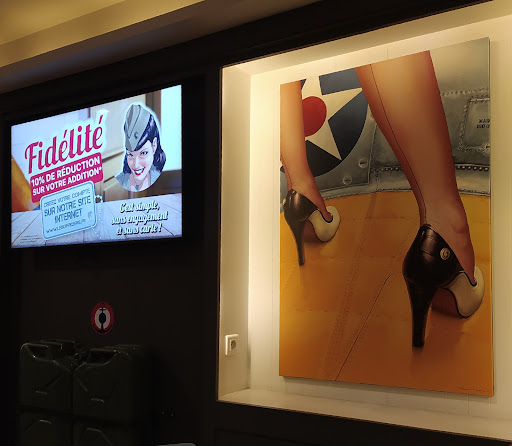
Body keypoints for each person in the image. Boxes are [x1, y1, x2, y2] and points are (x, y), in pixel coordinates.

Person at [116, 103, 166, 192]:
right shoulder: (120, 182)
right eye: (130, 155)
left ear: (154, 145)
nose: (136, 165)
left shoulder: (164, 178)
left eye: (143, 153)